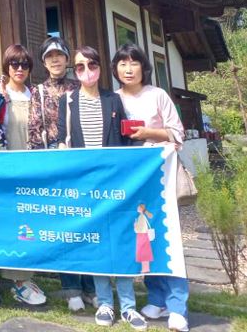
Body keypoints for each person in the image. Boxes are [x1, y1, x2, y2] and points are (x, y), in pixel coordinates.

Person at [57, 46, 146, 330]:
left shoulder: (113, 99)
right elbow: (63, 138)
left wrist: (150, 152)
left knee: (120, 241)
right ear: (74, 71)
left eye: (91, 65)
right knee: (96, 241)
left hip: (115, 184)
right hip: (85, 184)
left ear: (100, 67)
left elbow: (127, 139)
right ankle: (105, 302)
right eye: (80, 66)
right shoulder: (68, 101)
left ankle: (129, 306)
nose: (86, 71)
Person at [113, 43, 188, 332]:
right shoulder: (114, 98)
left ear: (144, 67)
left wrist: (149, 133)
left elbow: (177, 133)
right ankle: (156, 298)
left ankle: (178, 306)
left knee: (168, 238)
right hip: (131, 180)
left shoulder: (158, 95)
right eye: (122, 63)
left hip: (159, 178)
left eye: (133, 63)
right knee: (144, 239)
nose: (128, 69)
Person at [27, 37, 93, 312]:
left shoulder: (80, 88)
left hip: (80, 160)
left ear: (67, 60)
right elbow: (34, 132)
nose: (55, 60)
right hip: (54, 161)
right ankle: (71, 288)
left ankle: (91, 286)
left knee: (87, 223)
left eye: (59, 55)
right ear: (44, 62)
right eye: (50, 56)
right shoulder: (39, 92)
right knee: (64, 225)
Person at [0, 45, 46, 307]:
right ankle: (4, 279)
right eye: (14, 64)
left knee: (26, 221)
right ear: (6, 67)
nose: (19, 69)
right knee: (3, 221)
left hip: (30, 167)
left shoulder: (36, 94)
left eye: (24, 65)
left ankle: (22, 278)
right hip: (2, 168)